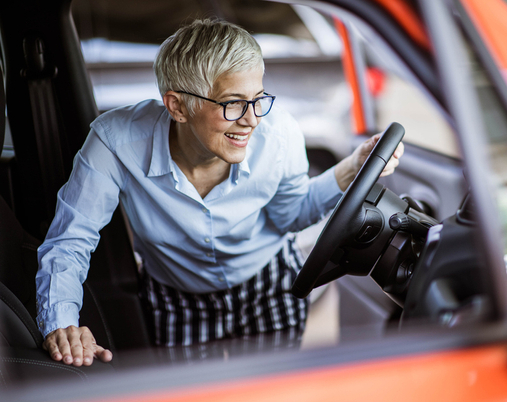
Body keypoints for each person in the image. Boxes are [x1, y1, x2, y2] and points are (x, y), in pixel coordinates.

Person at [35, 18, 403, 367]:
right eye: (232, 103)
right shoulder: (114, 140)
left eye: (258, 98)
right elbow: (70, 240)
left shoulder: (279, 134)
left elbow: (290, 216)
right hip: (176, 296)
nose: (252, 119)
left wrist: (352, 167)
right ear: (177, 105)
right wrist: (61, 321)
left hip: (268, 282)